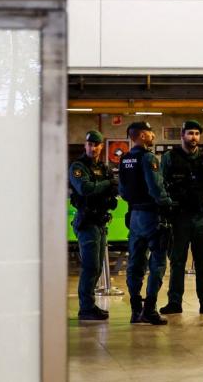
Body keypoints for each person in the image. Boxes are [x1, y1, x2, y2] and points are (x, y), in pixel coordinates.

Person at [159, 119, 203, 315]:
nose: (193, 137)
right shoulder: (170, 157)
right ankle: (174, 302)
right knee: (177, 260)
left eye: (196, 133)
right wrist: (164, 210)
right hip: (179, 216)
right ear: (182, 135)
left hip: (201, 215)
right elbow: (161, 184)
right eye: (190, 133)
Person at [117, 120, 173, 325]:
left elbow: (122, 190)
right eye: (150, 132)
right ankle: (149, 309)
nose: (153, 135)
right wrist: (168, 204)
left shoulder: (125, 159)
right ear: (141, 135)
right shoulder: (149, 158)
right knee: (158, 261)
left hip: (134, 216)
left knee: (135, 263)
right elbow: (156, 187)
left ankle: (135, 309)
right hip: (151, 216)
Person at [69, 129, 118, 321]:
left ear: (101, 146)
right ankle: (86, 307)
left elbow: (114, 188)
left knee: (97, 268)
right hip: (87, 221)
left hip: (100, 221)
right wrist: (107, 184)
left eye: (96, 144)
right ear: (85, 145)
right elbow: (85, 188)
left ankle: (89, 305)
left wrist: (108, 188)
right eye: (90, 144)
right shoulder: (78, 167)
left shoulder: (103, 168)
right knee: (91, 266)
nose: (93, 148)